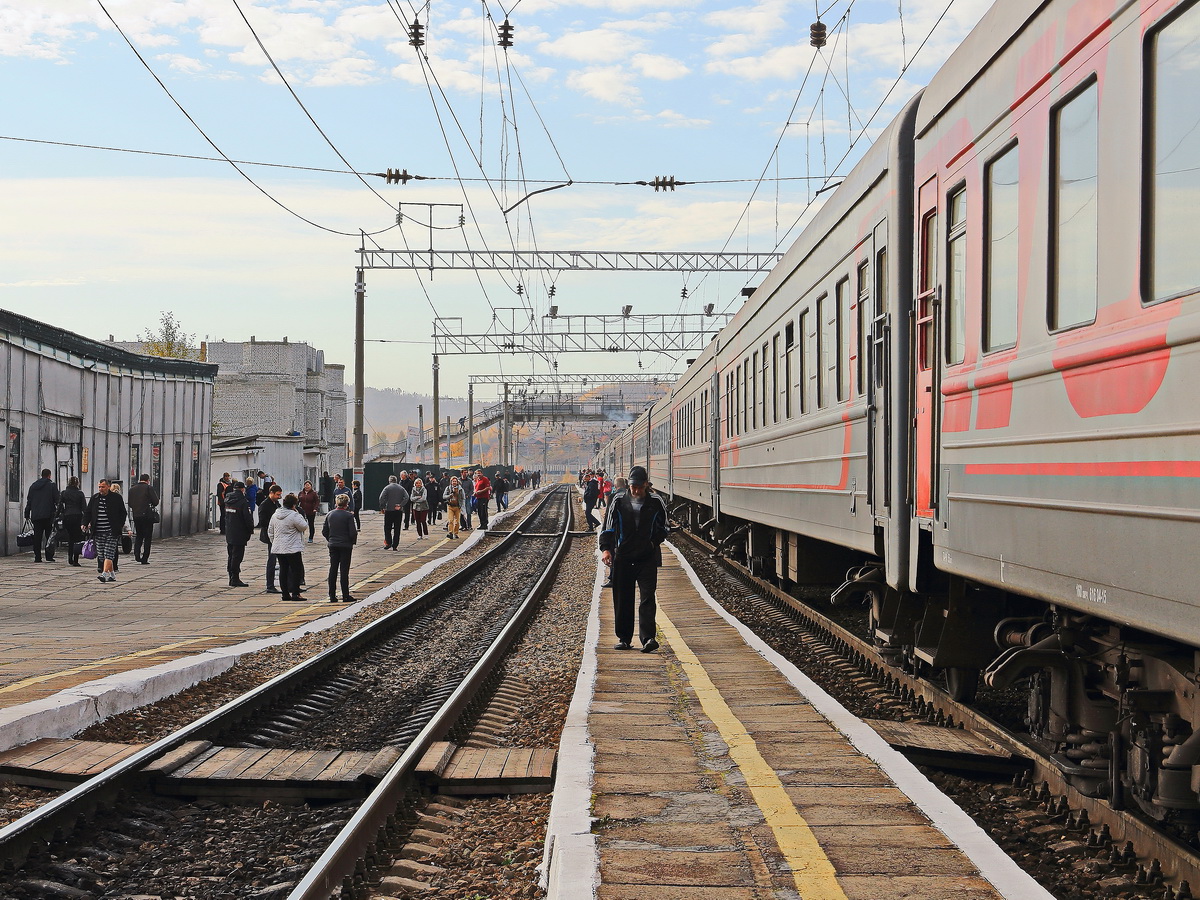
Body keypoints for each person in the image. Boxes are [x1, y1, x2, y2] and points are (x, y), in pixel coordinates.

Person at [598, 466, 669, 653]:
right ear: (629, 485)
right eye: (633, 487)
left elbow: (665, 527)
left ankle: (648, 638)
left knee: (647, 597)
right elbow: (608, 527)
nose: (635, 491)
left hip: (647, 557)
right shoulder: (618, 500)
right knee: (623, 598)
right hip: (623, 557)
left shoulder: (656, 501)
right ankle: (624, 638)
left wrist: (653, 543)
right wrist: (606, 549)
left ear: (646, 485)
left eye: (639, 487)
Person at [268, 493, 308, 602]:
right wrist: (298, 513)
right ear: (294, 505)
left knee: (283, 570)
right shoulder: (294, 515)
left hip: (279, 547)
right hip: (292, 547)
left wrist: (275, 542)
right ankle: (295, 593)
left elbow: (270, 532)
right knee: (296, 570)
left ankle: (285, 594)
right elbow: (303, 526)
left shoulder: (275, 515)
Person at [85, 478, 126, 583]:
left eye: (103, 487)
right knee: (102, 555)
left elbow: (123, 513)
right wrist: (84, 523)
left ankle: (104, 574)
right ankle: (112, 575)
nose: (101, 489)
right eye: (99, 487)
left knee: (109, 553)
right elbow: (88, 512)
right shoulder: (95, 498)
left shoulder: (116, 498)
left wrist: (119, 525)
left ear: (108, 486)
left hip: (111, 531)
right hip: (98, 531)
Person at [322, 493, 358, 602]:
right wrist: (351, 542)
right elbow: (353, 532)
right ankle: (345, 595)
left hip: (333, 545)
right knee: (344, 571)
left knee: (333, 569)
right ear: (346, 504)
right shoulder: (349, 516)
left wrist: (331, 539)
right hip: (345, 546)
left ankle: (332, 595)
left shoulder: (329, 515)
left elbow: (324, 531)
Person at [25, 468, 60, 563]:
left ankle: (37, 557)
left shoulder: (33, 486)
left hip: (36, 516)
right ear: (49, 476)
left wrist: (27, 513)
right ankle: (49, 556)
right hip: (48, 515)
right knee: (49, 536)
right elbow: (57, 500)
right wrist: (59, 513)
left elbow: (29, 501)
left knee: (37, 536)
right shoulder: (52, 486)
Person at [223, 479, 254, 587]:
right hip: (240, 533)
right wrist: (250, 530)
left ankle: (231, 576)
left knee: (231, 556)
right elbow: (247, 518)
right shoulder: (243, 501)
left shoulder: (227, 500)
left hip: (230, 532)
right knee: (237, 556)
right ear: (242, 489)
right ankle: (235, 578)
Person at [127, 473, 160, 564]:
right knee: (148, 537)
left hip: (136, 515)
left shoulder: (132, 489)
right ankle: (145, 558)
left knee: (139, 535)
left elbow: (130, 503)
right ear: (147, 480)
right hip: (147, 516)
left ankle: (137, 554)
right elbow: (156, 501)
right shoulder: (149, 488)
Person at [258, 483, 284, 593]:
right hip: (270, 536)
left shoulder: (276, 504)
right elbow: (263, 522)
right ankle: (270, 585)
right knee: (272, 561)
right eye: (277, 494)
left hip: (278, 535)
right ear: (271, 493)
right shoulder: (264, 505)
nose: (279, 497)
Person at [59, 476, 87, 567]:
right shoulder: (80, 494)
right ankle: (75, 559)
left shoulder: (64, 493)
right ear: (77, 483)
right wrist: (87, 520)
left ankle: (70, 557)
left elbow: (60, 506)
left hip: (67, 516)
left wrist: (57, 516)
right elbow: (84, 508)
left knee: (70, 538)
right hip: (77, 517)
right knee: (77, 539)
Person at [378, 475, 410, 550]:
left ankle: (388, 542)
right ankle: (395, 545)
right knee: (397, 528)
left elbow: (381, 498)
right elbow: (407, 497)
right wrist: (400, 505)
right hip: (398, 511)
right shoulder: (401, 488)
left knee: (387, 527)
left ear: (389, 481)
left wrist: (382, 507)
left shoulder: (387, 488)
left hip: (389, 510)